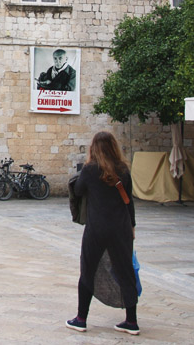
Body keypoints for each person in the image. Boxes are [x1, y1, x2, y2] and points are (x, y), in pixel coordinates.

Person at [65, 131, 139, 336]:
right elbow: (129, 202)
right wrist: (132, 226)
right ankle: (131, 321)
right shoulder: (123, 170)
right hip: (121, 227)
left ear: (93, 148)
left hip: (97, 228)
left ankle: (81, 319)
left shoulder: (90, 170)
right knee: (125, 272)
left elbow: (78, 191)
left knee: (88, 269)